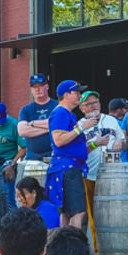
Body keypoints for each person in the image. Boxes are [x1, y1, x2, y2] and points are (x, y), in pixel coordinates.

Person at [45, 80, 91, 229]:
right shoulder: (60, 113)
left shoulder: (66, 114)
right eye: (76, 92)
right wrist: (82, 128)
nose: (80, 95)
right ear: (66, 95)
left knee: (66, 213)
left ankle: (65, 247)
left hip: (68, 168)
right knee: (78, 212)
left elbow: (73, 145)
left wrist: (97, 143)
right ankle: (74, 248)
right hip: (67, 169)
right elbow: (58, 140)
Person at [15, 72, 56, 166]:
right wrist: (49, 128)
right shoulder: (26, 110)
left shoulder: (57, 106)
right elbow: (22, 131)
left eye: (40, 86)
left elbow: (60, 125)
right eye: (34, 87)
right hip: (32, 159)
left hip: (54, 157)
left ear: (47, 86)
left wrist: (32, 123)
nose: (37, 89)